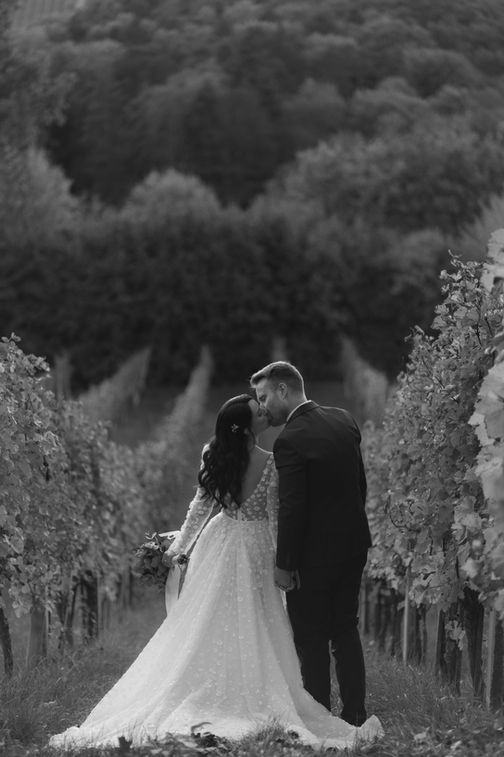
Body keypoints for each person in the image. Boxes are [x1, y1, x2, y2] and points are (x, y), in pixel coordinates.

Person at [50, 394, 381, 750]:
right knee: (255, 618)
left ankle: (216, 684)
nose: (264, 410)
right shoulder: (271, 462)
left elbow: (199, 510)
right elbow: (274, 517)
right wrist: (282, 564)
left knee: (213, 617)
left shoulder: (214, 455)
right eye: (258, 411)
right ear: (248, 428)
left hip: (219, 542)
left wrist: (177, 550)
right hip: (256, 547)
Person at [251, 362, 372, 726]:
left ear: (283, 390)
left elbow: (292, 507)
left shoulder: (289, 440)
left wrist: (284, 564)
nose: (263, 407)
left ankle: (320, 717)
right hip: (353, 545)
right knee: (346, 628)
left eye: (264, 397)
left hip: (312, 555)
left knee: (311, 636)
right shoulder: (344, 420)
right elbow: (359, 485)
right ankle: (355, 713)